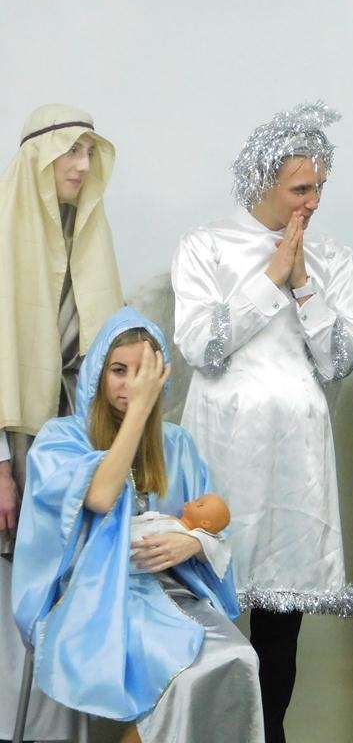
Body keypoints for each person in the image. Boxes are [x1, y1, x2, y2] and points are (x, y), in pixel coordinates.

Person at [171, 102, 353, 742]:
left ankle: (271, 732)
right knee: (205, 603)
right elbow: (200, 347)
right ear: (262, 181)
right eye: (299, 189)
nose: (312, 203)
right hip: (223, 448)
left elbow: (341, 359)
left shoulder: (333, 256)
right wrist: (269, 280)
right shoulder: (205, 245)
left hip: (296, 459)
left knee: (280, 626)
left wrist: (305, 284)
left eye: (320, 188)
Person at [11, 308, 262, 743]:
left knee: (240, 660)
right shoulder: (61, 438)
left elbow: (210, 523)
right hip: (92, 600)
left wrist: (192, 543)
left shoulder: (176, 443)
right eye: (119, 371)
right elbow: (101, 496)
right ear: (98, 372)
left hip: (171, 593)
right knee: (185, 677)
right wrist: (139, 413)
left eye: (142, 372)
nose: (130, 384)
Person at [0, 103, 123, 741]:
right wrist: (0, 467)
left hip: (77, 435)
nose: (81, 165)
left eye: (89, 152)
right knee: (16, 589)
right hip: (18, 437)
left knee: (72, 585)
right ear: (38, 159)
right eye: (70, 151)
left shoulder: (89, 235)